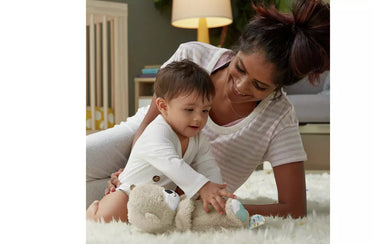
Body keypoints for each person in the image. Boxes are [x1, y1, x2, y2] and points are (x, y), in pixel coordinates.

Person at [87, 0, 330, 218]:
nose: (241, 86)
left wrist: (223, 204)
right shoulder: (193, 55)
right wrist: (131, 169)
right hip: (141, 144)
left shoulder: (279, 116)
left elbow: (294, 208)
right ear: (237, 51)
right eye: (240, 68)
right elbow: (151, 123)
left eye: (259, 85)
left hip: (174, 195)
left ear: (278, 88)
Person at [86, 60, 236, 222]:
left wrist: (217, 194)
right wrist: (203, 186)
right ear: (163, 106)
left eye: (205, 110)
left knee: (178, 215)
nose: (198, 118)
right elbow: (171, 163)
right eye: (189, 109)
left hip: (162, 200)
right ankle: (92, 212)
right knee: (109, 217)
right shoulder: (157, 132)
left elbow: (209, 165)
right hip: (130, 192)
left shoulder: (198, 139)